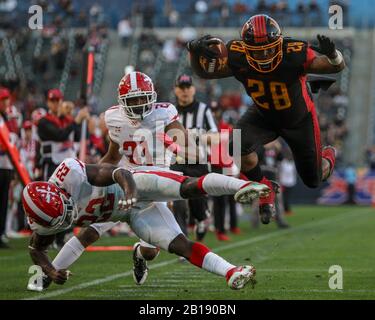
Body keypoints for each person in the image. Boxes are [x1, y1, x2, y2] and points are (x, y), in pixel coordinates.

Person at [187, 14, 345, 225]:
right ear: (246, 47)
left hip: (299, 120)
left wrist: (334, 54)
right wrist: (193, 51)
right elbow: (205, 74)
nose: (264, 56)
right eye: (257, 51)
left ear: (279, 42)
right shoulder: (236, 54)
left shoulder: (294, 52)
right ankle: (265, 188)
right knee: (235, 147)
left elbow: (336, 67)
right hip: (263, 115)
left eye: (269, 50)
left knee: (314, 179)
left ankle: (328, 154)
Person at [23, 158, 269, 291]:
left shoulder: (71, 174)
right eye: (59, 221)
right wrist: (50, 270)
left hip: (133, 184)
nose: (68, 219)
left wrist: (130, 191)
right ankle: (231, 271)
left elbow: (117, 171)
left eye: (66, 211)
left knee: (187, 187)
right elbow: (36, 249)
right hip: (128, 214)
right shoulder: (42, 225)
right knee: (178, 245)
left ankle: (242, 186)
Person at [37, 88, 89, 248]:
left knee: (69, 202)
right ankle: (46, 238)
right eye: (53, 100)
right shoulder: (44, 121)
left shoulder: (66, 120)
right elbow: (60, 135)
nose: (56, 104)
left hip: (66, 166)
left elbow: (80, 136)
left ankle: (61, 237)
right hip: (52, 164)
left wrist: (78, 120)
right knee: (51, 201)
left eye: (58, 100)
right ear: (48, 102)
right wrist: (75, 120)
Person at [171, 74, 218, 241]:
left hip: (198, 162)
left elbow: (216, 136)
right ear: (176, 90)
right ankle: (182, 240)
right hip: (176, 162)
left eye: (187, 87)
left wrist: (194, 136)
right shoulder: (171, 112)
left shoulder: (203, 110)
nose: (184, 91)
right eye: (181, 88)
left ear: (193, 89)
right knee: (178, 202)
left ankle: (200, 220)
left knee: (197, 203)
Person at [0, 87, 18, 248]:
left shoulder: (8, 119)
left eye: (6, 99)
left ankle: (2, 232)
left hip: (7, 165)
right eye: (2, 100)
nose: (5, 102)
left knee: (4, 201)